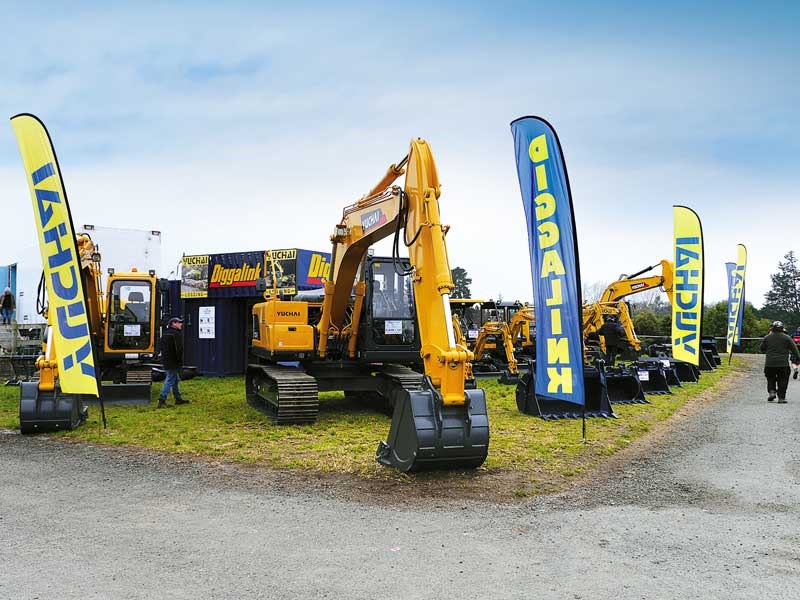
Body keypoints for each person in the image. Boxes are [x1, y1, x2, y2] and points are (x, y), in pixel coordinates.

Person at [760, 320, 800, 403]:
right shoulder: (787, 337)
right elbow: (794, 349)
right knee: (783, 380)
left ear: (772, 328)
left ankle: (772, 391)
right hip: (783, 364)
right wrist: (798, 358)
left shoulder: (767, 337)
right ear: (782, 328)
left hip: (770, 363)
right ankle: (781, 397)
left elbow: (762, 349)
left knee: (770, 378)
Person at [158, 317, 189, 408]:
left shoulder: (165, 334)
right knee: (170, 379)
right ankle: (162, 399)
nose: (181, 324)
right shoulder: (176, 334)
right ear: (174, 324)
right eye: (179, 323)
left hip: (166, 360)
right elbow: (178, 349)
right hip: (173, 361)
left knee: (175, 379)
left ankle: (178, 398)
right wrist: (180, 361)